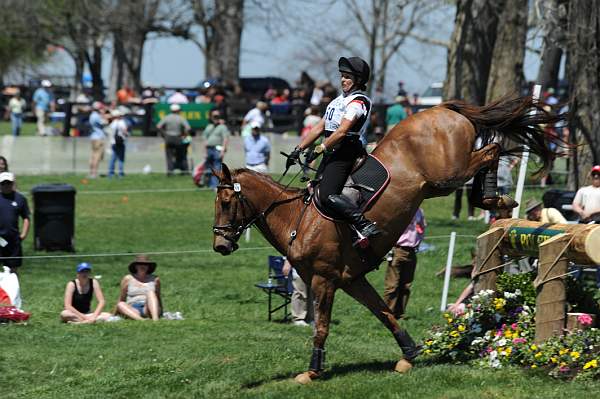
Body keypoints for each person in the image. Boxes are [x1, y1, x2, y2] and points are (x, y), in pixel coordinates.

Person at [287, 56, 380, 240]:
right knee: (313, 189)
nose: (343, 80)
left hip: (346, 149)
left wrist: (320, 148)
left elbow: (342, 131)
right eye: (342, 76)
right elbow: (319, 127)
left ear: (359, 80)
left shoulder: (358, 102)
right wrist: (298, 148)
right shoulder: (338, 100)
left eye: (348, 77)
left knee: (327, 195)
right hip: (333, 150)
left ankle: (363, 224)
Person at [383, 208, 425, 319]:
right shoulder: (401, 209)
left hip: (411, 251)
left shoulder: (419, 211)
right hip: (398, 250)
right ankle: (387, 314)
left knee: (406, 285)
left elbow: (422, 227)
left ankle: (399, 314)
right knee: (392, 285)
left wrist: (418, 241)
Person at [0, 172, 30, 273]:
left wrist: (23, 235)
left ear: (12, 183)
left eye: (8, 183)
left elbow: (26, 217)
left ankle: (12, 288)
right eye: (3, 183)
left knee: (13, 271)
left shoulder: (20, 199)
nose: (6, 186)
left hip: (13, 240)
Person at [117, 255, 162, 321]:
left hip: (148, 308)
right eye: (139, 264)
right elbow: (122, 297)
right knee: (120, 304)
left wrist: (161, 310)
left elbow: (158, 296)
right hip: (133, 308)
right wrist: (114, 313)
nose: (142, 266)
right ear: (135, 266)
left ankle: (155, 319)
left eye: (145, 264)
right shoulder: (128, 278)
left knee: (151, 293)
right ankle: (141, 320)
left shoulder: (155, 279)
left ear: (148, 267)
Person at [157, 104, 191, 175]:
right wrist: (184, 135)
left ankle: (170, 171)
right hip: (178, 138)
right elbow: (188, 128)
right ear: (178, 111)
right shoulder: (180, 118)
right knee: (181, 155)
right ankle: (184, 170)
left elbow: (158, 126)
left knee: (169, 155)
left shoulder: (167, 117)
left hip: (168, 138)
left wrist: (164, 134)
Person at [202, 109, 230, 188]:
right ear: (211, 117)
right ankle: (207, 184)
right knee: (208, 168)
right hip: (209, 149)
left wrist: (223, 150)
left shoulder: (222, 127)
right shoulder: (208, 127)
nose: (216, 118)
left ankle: (214, 186)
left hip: (217, 149)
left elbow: (225, 139)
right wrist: (204, 152)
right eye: (214, 116)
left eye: (217, 116)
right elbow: (205, 139)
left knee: (217, 168)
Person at [282, 258, 313, 327]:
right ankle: (298, 318)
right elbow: (290, 249)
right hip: (299, 269)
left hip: (312, 269)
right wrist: (288, 262)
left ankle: (310, 318)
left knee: (312, 294)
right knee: (300, 293)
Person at [107, 109, 129, 178]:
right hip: (120, 142)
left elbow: (109, 132)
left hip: (113, 142)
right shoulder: (122, 122)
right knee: (121, 159)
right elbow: (125, 131)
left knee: (113, 158)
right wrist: (127, 134)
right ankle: (120, 173)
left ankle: (110, 173)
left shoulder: (113, 123)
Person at [88, 102, 107, 178]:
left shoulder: (92, 115)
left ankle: (91, 172)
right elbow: (105, 122)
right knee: (97, 156)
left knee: (93, 155)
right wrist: (103, 115)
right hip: (99, 137)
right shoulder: (97, 116)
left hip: (93, 137)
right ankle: (94, 173)